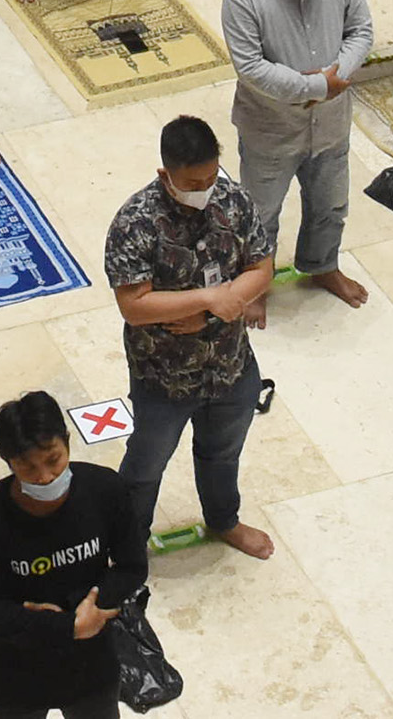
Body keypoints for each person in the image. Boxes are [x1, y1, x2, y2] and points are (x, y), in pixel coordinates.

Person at [102, 115, 277, 558]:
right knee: (145, 466)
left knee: (223, 454)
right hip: (164, 377)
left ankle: (224, 521)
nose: (204, 188)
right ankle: (126, 546)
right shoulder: (136, 223)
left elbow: (261, 268)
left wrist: (216, 310)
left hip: (231, 364)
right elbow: (135, 305)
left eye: (210, 177)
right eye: (192, 181)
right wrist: (209, 297)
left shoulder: (232, 202)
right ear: (166, 175)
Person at [220, 0, 377, 309]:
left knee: (331, 203)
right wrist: (313, 87)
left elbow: (360, 30)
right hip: (271, 128)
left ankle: (322, 265)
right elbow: (250, 67)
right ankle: (254, 284)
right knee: (260, 213)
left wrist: (336, 75)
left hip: (330, 123)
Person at [0, 389, 144, 719]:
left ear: (68, 441)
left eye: (53, 460)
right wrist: (62, 626)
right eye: (27, 467)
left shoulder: (105, 491)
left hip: (93, 664)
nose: (44, 476)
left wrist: (98, 601)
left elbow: (132, 566)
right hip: (16, 673)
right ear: (8, 463)